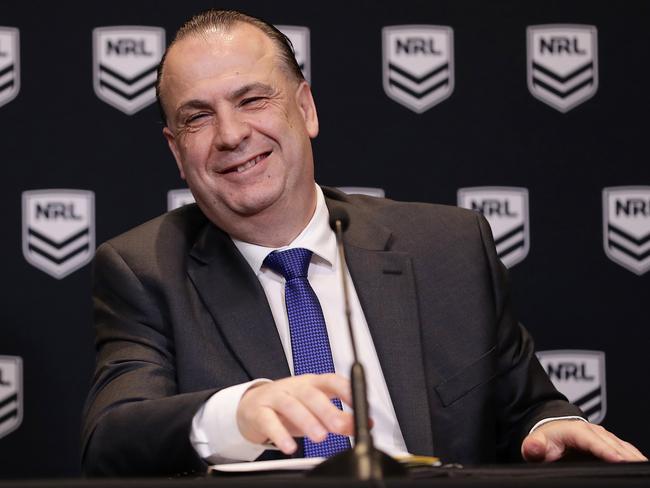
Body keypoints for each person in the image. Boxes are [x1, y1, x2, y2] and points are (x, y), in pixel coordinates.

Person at [81, 9, 646, 476]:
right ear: (177, 151)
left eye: (252, 100)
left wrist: (552, 427)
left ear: (305, 108)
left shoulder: (449, 247)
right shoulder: (143, 269)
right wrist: (238, 412)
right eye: (198, 118)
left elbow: (525, 406)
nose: (231, 135)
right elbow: (111, 439)